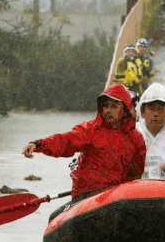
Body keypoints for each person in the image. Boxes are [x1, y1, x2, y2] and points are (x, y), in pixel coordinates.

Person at [23, 83, 146, 221]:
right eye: (105, 106)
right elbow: (65, 141)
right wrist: (38, 144)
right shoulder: (90, 129)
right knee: (54, 218)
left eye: (113, 106)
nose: (107, 110)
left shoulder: (136, 138)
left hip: (115, 198)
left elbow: (135, 174)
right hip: (86, 196)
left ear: (125, 109)